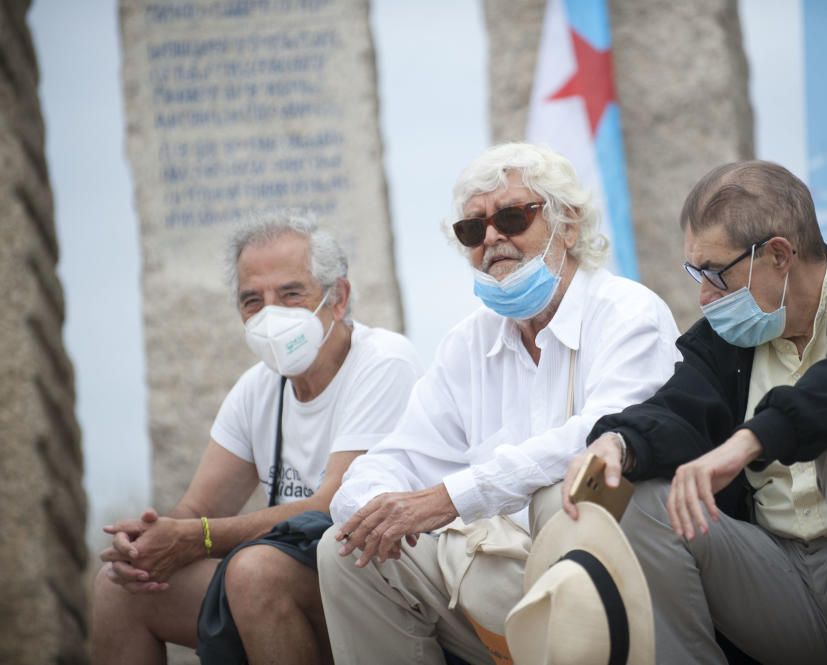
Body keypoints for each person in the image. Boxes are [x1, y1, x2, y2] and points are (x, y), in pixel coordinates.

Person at [564, 160, 827, 664]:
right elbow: (675, 409)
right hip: (782, 581)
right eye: (694, 273)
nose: (703, 296)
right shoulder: (723, 343)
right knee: (640, 498)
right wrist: (615, 443)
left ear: (778, 254)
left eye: (714, 274)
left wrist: (750, 439)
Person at [317, 142, 682, 665]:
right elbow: (399, 455)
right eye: (472, 229)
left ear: (569, 225)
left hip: (607, 581)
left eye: (512, 217)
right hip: (491, 575)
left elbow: (602, 435)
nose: (492, 238)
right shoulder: (468, 341)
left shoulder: (628, 312)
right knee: (345, 550)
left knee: (559, 499)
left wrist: (450, 498)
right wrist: (371, 511)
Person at [91, 210, 422, 665]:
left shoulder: (385, 362)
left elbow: (334, 507)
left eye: (290, 294)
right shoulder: (258, 387)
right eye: (253, 300)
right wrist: (150, 540)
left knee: (254, 572)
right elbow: (196, 511)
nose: (271, 315)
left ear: (338, 297)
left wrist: (197, 537)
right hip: (294, 578)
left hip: (376, 589)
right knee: (121, 581)